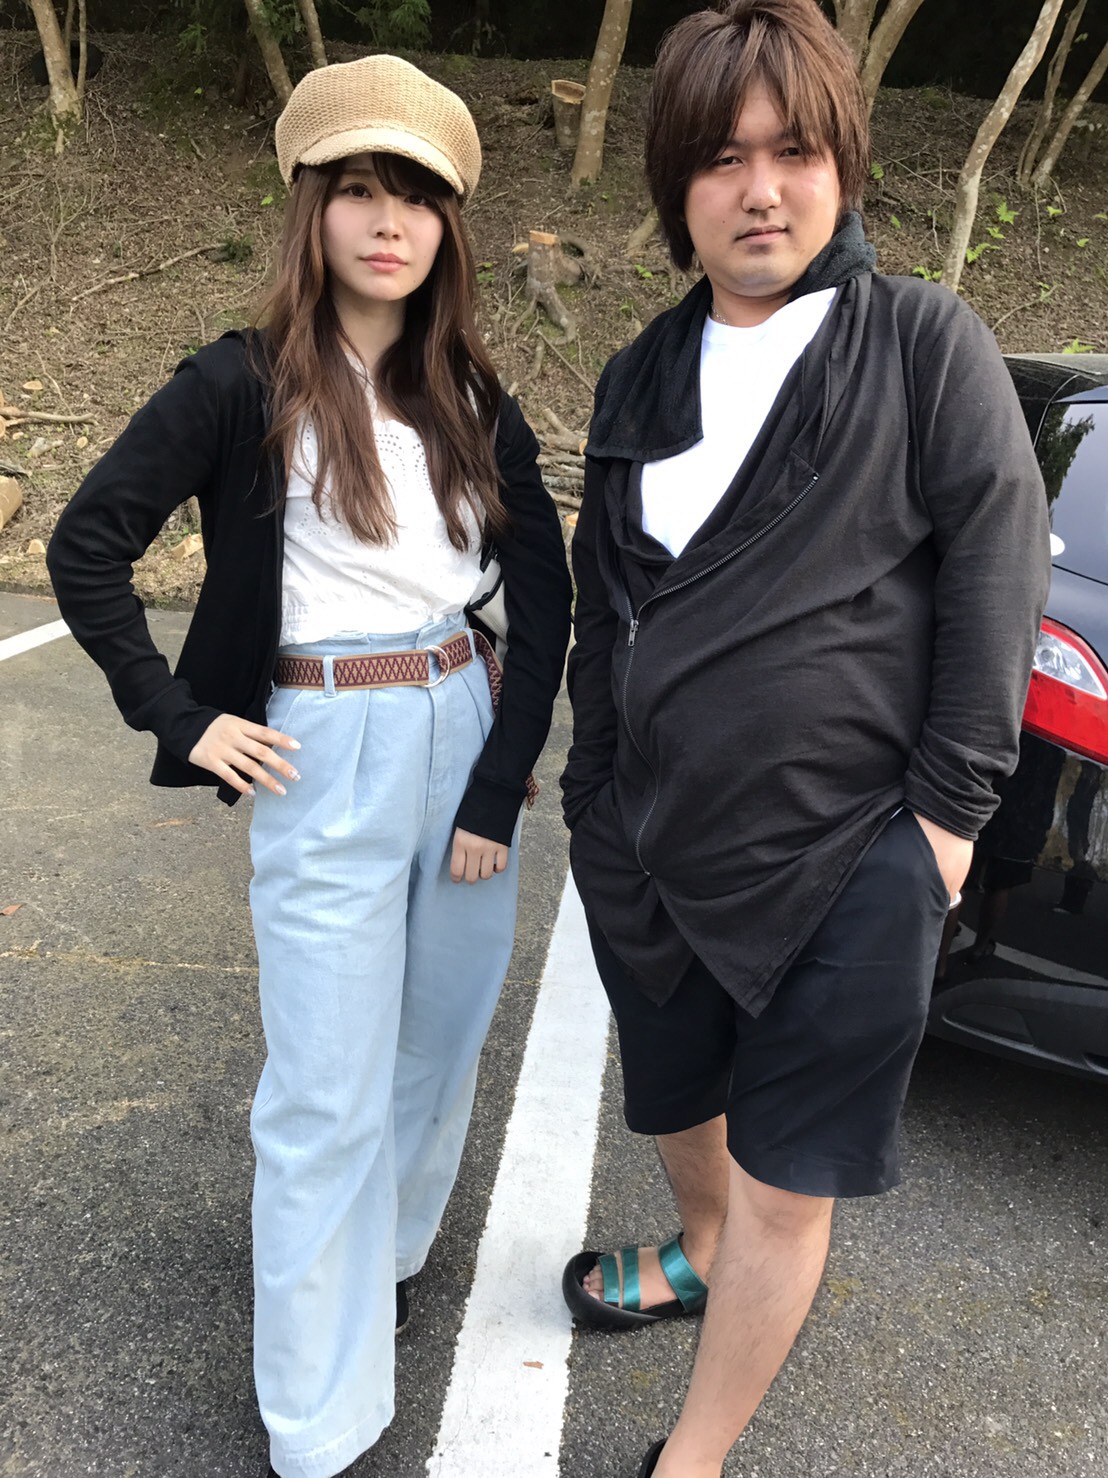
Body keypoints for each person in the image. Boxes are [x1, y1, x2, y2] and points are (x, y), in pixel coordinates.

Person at [47, 54, 571, 1478]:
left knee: (441, 1036)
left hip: (462, 725)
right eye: (360, 191)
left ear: (449, 226)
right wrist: (178, 716)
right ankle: (318, 1425)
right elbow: (87, 546)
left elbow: (544, 584)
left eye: (419, 198)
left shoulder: (469, 390)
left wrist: (497, 776)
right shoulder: (240, 381)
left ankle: (383, 1254)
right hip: (321, 741)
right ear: (312, 208)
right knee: (325, 1089)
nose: (390, 223)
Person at [558, 4, 1049, 1476]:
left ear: (843, 167)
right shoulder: (644, 371)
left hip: (850, 862)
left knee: (789, 1183)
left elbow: (998, 569)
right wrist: (594, 793)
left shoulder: (919, 343)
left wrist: (943, 825)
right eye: (722, 158)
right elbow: (604, 599)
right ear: (678, 186)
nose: (760, 190)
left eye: (794, 152)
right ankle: (699, 1246)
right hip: (651, 850)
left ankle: (693, 1454)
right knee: (677, 1103)